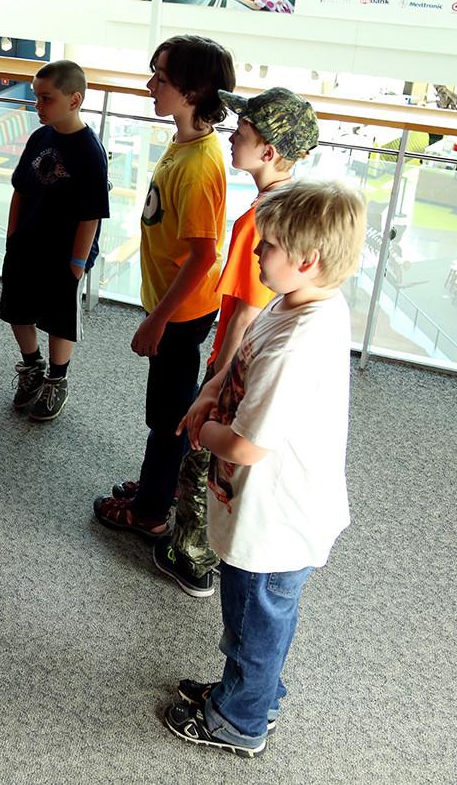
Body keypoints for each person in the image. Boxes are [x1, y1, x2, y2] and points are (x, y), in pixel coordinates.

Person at [162, 179, 366, 758]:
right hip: (269, 509)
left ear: (307, 260)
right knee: (258, 616)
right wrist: (212, 389)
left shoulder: (299, 344)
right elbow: (243, 357)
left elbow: (249, 445)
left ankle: (240, 719)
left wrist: (202, 431)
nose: (255, 254)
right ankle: (252, 692)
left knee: (255, 620)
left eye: (267, 245)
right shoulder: (298, 300)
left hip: (277, 518)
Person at [152, 87, 321, 598]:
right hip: (249, 359)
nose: (230, 137)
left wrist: (218, 378)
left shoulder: (259, 221)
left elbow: (249, 306)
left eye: (241, 133)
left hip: (236, 360)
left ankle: (192, 557)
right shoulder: (290, 203)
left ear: (268, 151)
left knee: (198, 458)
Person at [93, 34, 234, 534]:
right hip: (174, 309)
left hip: (180, 313)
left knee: (167, 415)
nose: (151, 85)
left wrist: (157, 319)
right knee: (166, 406)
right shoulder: (186, 142)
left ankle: (151, 511)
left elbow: (202, 256)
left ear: (193, 92)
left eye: (163, 79)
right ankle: (159, 483)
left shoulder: (198, 167)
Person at [0, 60, 110, 422]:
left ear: (74, 99)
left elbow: (91, 213)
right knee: (17, 308)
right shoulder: (39, 137)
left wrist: (77, 264)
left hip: (64, 253)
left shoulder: (90, 151)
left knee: (58, 319)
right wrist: (12, 235)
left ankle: (57, 378)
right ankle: (32, 366)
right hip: (27, 242)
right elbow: (20, 190)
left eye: (46, 98)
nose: (38, 105)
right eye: (36, 97)